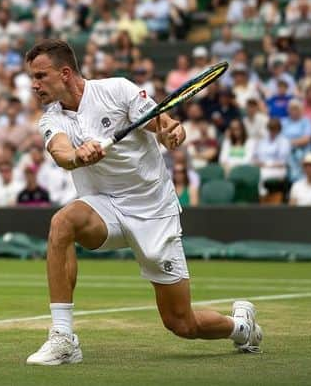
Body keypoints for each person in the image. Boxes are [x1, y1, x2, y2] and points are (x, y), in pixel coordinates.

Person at [24, 39, 261, 366]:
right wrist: (78, 156)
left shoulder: (117, 90)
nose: (34, 85)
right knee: (62, 223)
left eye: (40, 76)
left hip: (153, 211)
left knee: (181, 323)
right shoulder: (51, 118)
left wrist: (170, 132)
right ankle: (64, 338)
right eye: (32, 78)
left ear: (65, 73)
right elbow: (61, 152)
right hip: (104, 206)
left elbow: (161, 122)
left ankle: (241, 327)